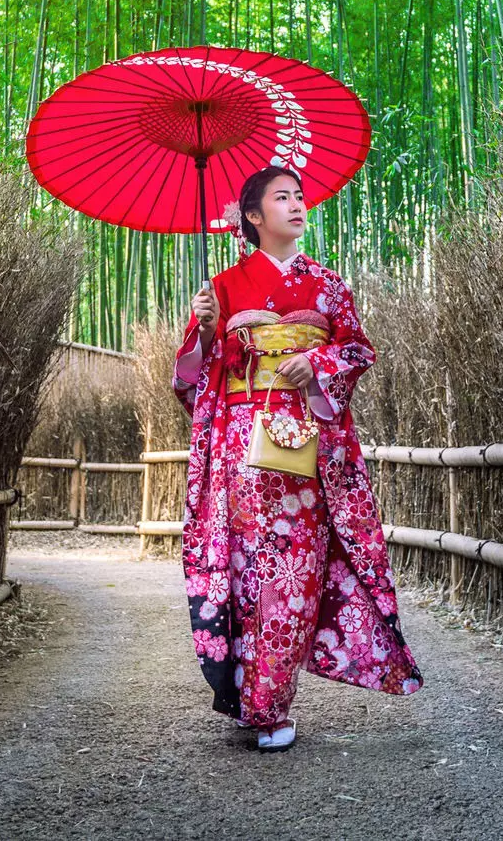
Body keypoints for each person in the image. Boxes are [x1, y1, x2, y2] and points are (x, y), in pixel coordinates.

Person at [172, 164, 422, 752]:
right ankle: (252, 695)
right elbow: (192, 380)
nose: (296, 204)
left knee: (294, 571)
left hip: (306, 443)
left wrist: (318, 363)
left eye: (299, 196)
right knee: (246, 571)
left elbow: (357, 351)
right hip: (240, 448)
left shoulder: (329, 287)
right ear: (252, 216)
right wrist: (206, 333)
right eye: (281, 197)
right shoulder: (222, 288)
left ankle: (271, 704)